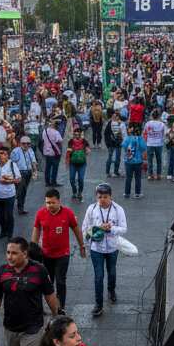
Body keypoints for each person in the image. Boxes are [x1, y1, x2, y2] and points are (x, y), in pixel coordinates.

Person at [33, 189, 87, 308]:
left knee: (61, 281)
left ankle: (61, 307)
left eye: (52, 202)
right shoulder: (41, 213)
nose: (50, 205)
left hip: (63, 254)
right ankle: (47, 306)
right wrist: (33, 247)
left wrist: (82, 245)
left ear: (59, 201)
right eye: (47, 203)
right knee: (47, 282)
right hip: (46, 255)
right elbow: (36, 229)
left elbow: (76, 229)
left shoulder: (68, 213)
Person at [81, 184, 127, 317]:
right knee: (99, 276)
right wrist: (98, 228)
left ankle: (111, 290)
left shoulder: (118, 209)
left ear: (111, 197)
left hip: (113, 247)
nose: (102, 200)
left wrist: (111, 228)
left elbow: (124, 228)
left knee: (112, 272)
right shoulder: (91, 209)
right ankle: (98, 304)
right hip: (96, 248)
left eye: (105, 197)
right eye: (99, 197)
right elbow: (84, 228)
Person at [0, 146, 21, 238]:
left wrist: (8, 181)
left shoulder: (12, 164)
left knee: (9, 215)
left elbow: (18, 179)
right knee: (0, 216)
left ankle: (10, 234)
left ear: (8, 155)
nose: (1, 155)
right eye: (0, 153)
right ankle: (3, 231)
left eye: (3, 153)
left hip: (9, 195)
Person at [12, 136, 38, 215]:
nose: (26, 145)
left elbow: (33, 161)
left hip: (28, 172)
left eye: (28, 143)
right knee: (21, 190)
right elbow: (12, 163)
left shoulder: (30, 150)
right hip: (20, 173)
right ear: (20, 144)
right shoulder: (15, 151)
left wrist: (35, 171)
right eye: (24, 143)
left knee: (24, 190)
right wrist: (15, 174)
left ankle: (20, 205)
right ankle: (20, 207)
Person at [121, 122, 146, 199]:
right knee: (138, 178)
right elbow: (143, 148)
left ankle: (127, 193)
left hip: (128, 161)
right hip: (138, 161)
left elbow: (124, 146)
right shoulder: (140, 138)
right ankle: (137, 193)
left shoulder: (127, 138)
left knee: (128, 178)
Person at [66, 128, 89, 201]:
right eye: (75, 134)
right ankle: (74, 191)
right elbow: (68, 152)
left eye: (78, 134)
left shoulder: (84, 141)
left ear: (80, 134)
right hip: (72, 163)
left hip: (82, 163)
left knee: (81, 179)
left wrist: (87, 150)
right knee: (71, 179)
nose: (77, 136)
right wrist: (67, 161)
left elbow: (88, 150)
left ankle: (79, 192)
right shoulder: (71, 142)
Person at [143, 110, 166, 181]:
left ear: (152, 116)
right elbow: (164, 134)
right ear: (159, 116)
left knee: (150, 160)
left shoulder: (148, 124)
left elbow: (145, 133)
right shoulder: (162, 124)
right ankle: (158, 175)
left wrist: (145, 141)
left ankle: (150, 175)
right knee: (159, 160)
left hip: (150, 143)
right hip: (159, 144)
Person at [42, 120, 65, 188]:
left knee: (47, 167)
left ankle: (47, 182)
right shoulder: (56, 132)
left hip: (46, 152)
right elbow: (59, 141)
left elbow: (43, 140)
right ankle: (53, 182)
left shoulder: (45, 131)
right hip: (54, 152)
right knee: (55, 168)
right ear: (56, 126)